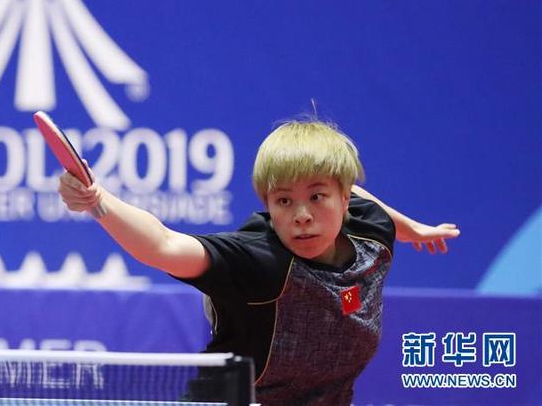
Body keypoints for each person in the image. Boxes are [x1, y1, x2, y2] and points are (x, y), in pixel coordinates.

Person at [58, 119, 460, 405]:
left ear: (343, 199)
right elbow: (162, 245)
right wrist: (98, 201)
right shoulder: (260, 262)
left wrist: (411, 229)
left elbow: (357, 192)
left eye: (317, 196)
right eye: (283, 200)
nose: (301, 215)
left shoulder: (373, 232)